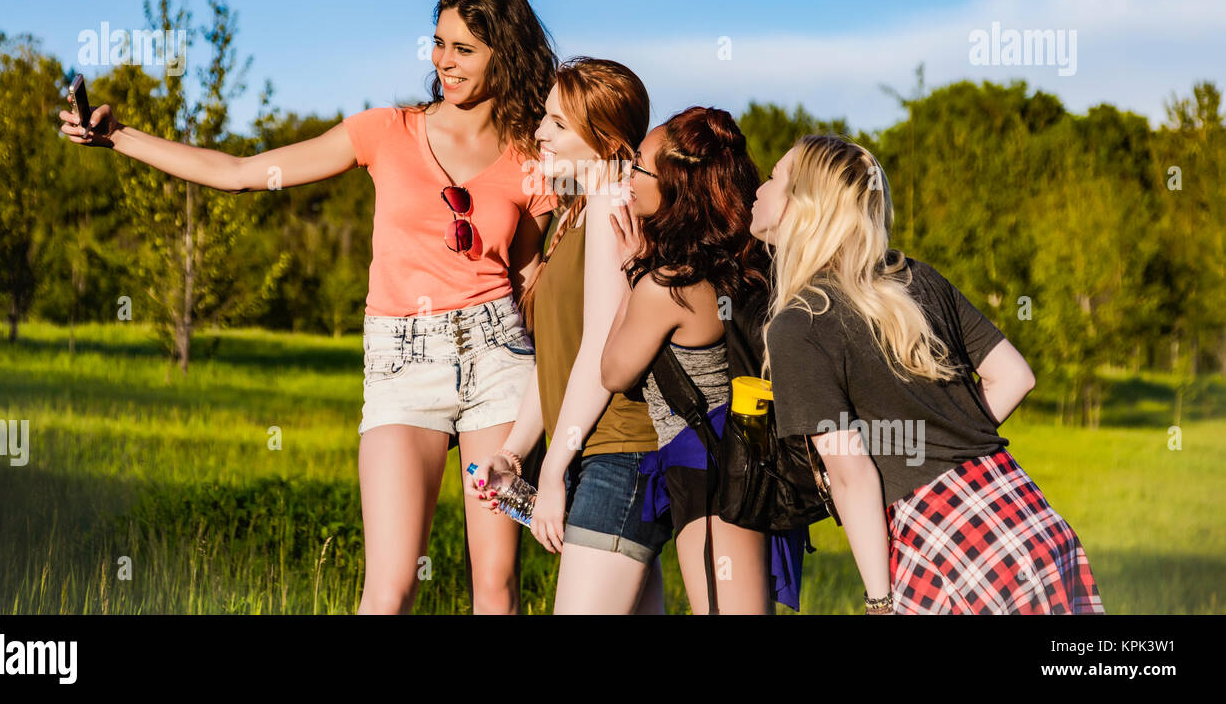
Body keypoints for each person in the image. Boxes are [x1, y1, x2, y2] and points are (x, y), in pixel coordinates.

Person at [59, 0, 561, 614]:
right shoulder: (386, 131)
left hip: (498, 361)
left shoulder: (529, 159)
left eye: (463, 49)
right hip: (403, 363)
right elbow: (241, 174)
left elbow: (528, 285)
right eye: (438, 44)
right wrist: (118, 136)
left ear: (504, 53)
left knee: (495, 587)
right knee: (389, 590)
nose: (442, 62)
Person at [752, 133, 1104, 614]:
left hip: (948, 541)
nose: (759, 188)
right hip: (1026, 514)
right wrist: (950, 438)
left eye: (772, 178)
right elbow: (1015, 376)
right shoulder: (915, 277)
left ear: (802, 206)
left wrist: (879, 603)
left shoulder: (800, 324)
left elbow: (851, 476)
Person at [472, 57, 674, 614]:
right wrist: (513, 454)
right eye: (544, 118)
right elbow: (555, 360)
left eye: (558, 124)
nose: (540, 133)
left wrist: (555, 469)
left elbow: (599, 354)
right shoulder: (579, 211)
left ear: (604, 137)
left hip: (619, 453)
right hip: (598, 453)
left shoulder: (612, 203)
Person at [600, 107, 805, 614]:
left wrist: (631, 271)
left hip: (706, 470)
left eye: (640, 166)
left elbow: (613, 371)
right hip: (755, 456)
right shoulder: (755, 269)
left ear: (676, 187)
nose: (628, 175)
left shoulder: (665, 287)